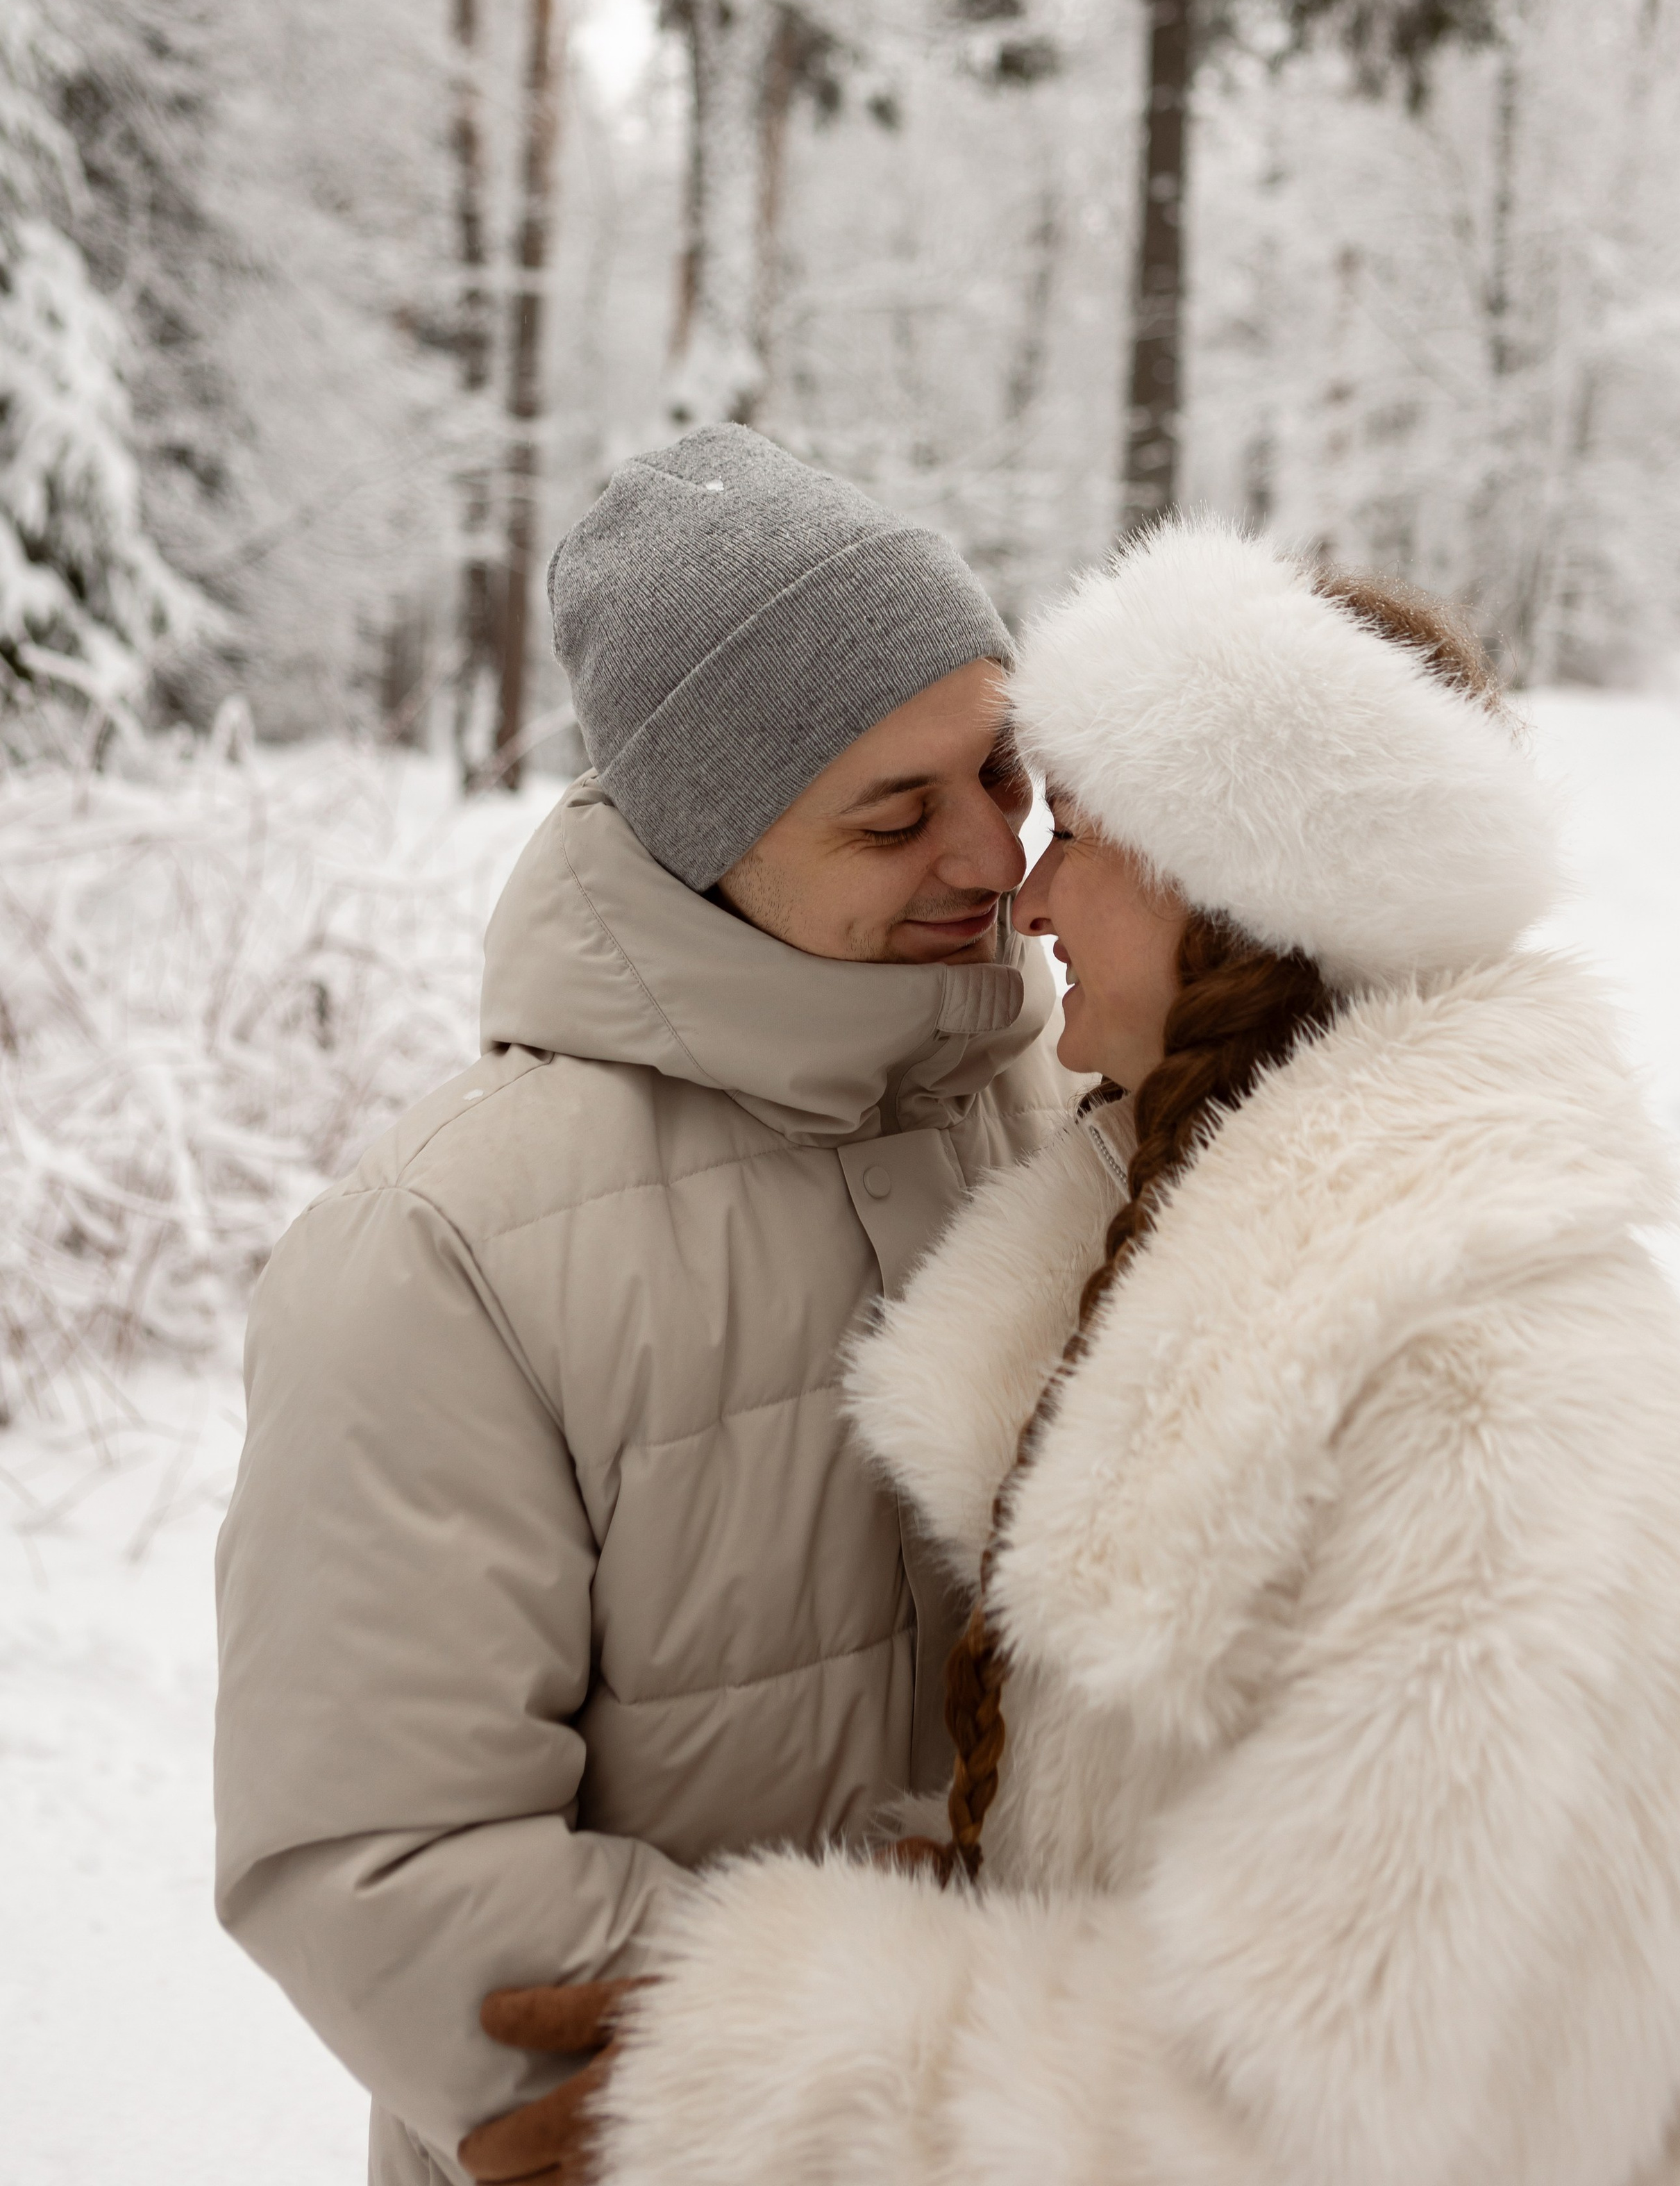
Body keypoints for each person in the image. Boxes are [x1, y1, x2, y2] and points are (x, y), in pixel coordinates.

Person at [494, 520, 1680, 2186]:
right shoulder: (1203, 1251)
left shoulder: (1485, 1395)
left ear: (1240, 900)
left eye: (1077, 835)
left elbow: (1363, 2113)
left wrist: (760, 2055)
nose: (1022, 897)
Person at [212, 426, 1075, 2186]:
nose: (994, 857)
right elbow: (375, 1853)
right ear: (706, 850)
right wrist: (816, 2067)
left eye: (1002, 771)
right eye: (893, 815)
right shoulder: (449, 1249)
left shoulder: (1060, 1118)